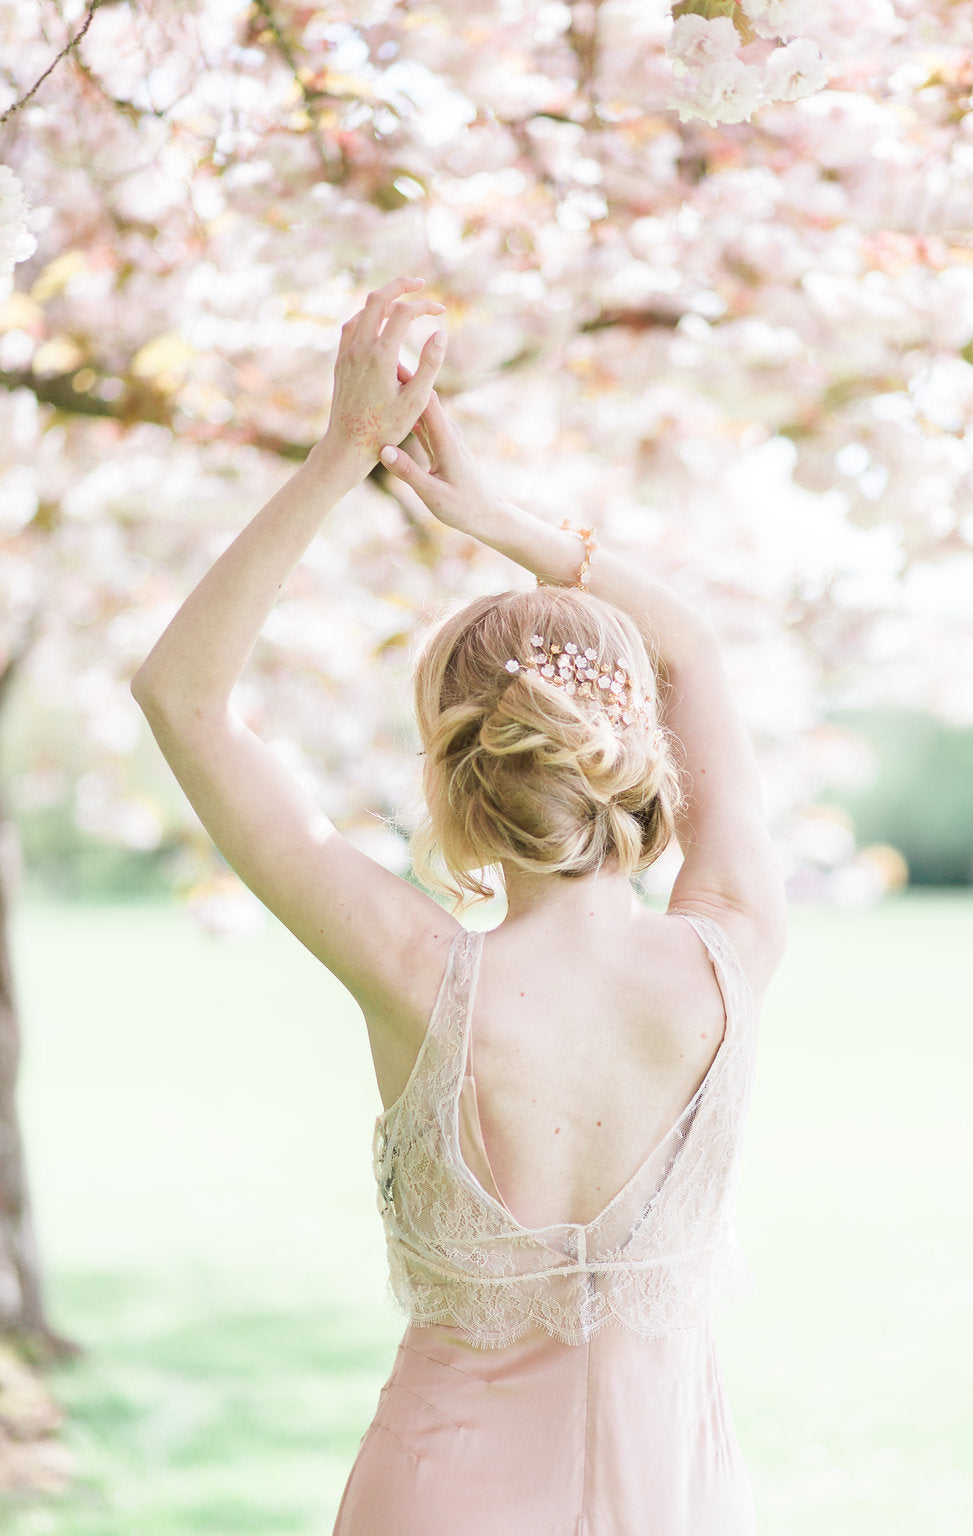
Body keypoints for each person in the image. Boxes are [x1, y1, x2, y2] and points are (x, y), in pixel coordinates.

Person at [132, 276, 788, 1535]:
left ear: (454, 777)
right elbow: (692, 649)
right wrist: (500, 520)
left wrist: (345, 452)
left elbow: (185, 698)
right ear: (631, 746)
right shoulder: (730, 952)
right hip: (683, 1503)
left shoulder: (411, 966)